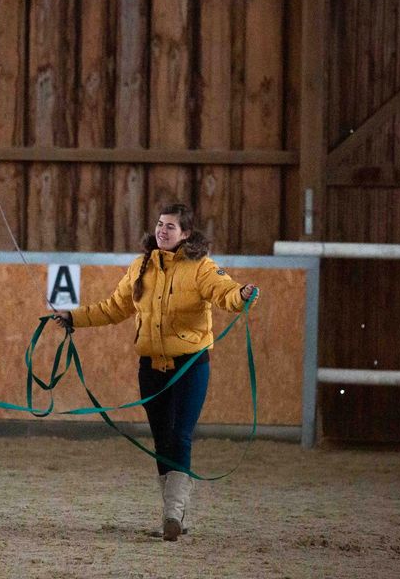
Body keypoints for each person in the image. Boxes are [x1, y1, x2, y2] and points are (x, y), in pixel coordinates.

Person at [53, 203, 257, 542]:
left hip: (190, 367)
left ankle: (173, 513)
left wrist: (243, 295)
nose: (162, 231)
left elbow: (227, 294)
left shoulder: (202, 268)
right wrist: (74, 317)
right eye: (160, 225)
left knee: (180, 436)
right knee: (163, 440)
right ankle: (172, 517)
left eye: (171, 227)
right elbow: (114, 308)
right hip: (150, 368)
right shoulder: (140, 267)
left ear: (187, 234)